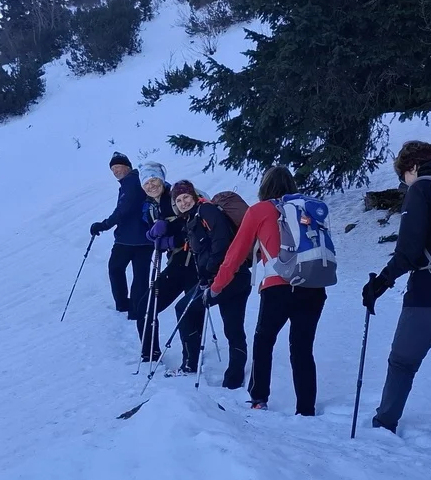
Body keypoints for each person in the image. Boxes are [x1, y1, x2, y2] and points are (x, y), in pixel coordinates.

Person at [361, 141, 431, 434]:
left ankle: (384, 422)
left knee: (403, 361)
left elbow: (408, 249)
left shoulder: (420, 189)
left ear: (411, 169)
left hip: (427, 293)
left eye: (402, 176)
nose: (403, 183)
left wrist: (381, 282)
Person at [210, 166, 325, 414]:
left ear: (264, 187)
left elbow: (235, 254)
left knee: (264, 341)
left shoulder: (260, 210)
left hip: (278, 287)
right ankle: (306, 408)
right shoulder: (308, 208)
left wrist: (217, 287)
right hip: (314, 286)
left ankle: (259, 397)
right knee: (302, 347)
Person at [174, 180, 252, 387]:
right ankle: (233, 379)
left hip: (225, 277)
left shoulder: (206, 211)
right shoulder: (193, 219)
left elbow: (221, 241)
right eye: (179, 200)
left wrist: (209, 270)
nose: (182, 202)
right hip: (237, 277)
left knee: (184, 308)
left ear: (194, 195)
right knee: (233, 328)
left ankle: (190, 364)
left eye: (186, 197)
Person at [132, 163, 201, 367]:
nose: (151, 185)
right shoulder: (151, 206)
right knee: (146, 305)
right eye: (146, 182)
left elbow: (193, 224)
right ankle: (149, 353)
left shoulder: (177, 196)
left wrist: (172, 240)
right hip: (177, 262)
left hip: (196, 262)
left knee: (192, 311)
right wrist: (155, 237)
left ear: (161, 179)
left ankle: (192, 360)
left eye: (154, 180)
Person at [90, 152, 154, 317]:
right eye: (113, 169)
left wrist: (103, 225)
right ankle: (135, 310)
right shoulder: (134, 182)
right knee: (140, 275)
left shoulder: (131, 182)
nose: (115, 172)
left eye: (118, 167)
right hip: (145, 238)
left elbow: (122, 211)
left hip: (129, 238)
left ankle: (126, 305)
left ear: (127, 166)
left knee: (116, 268)